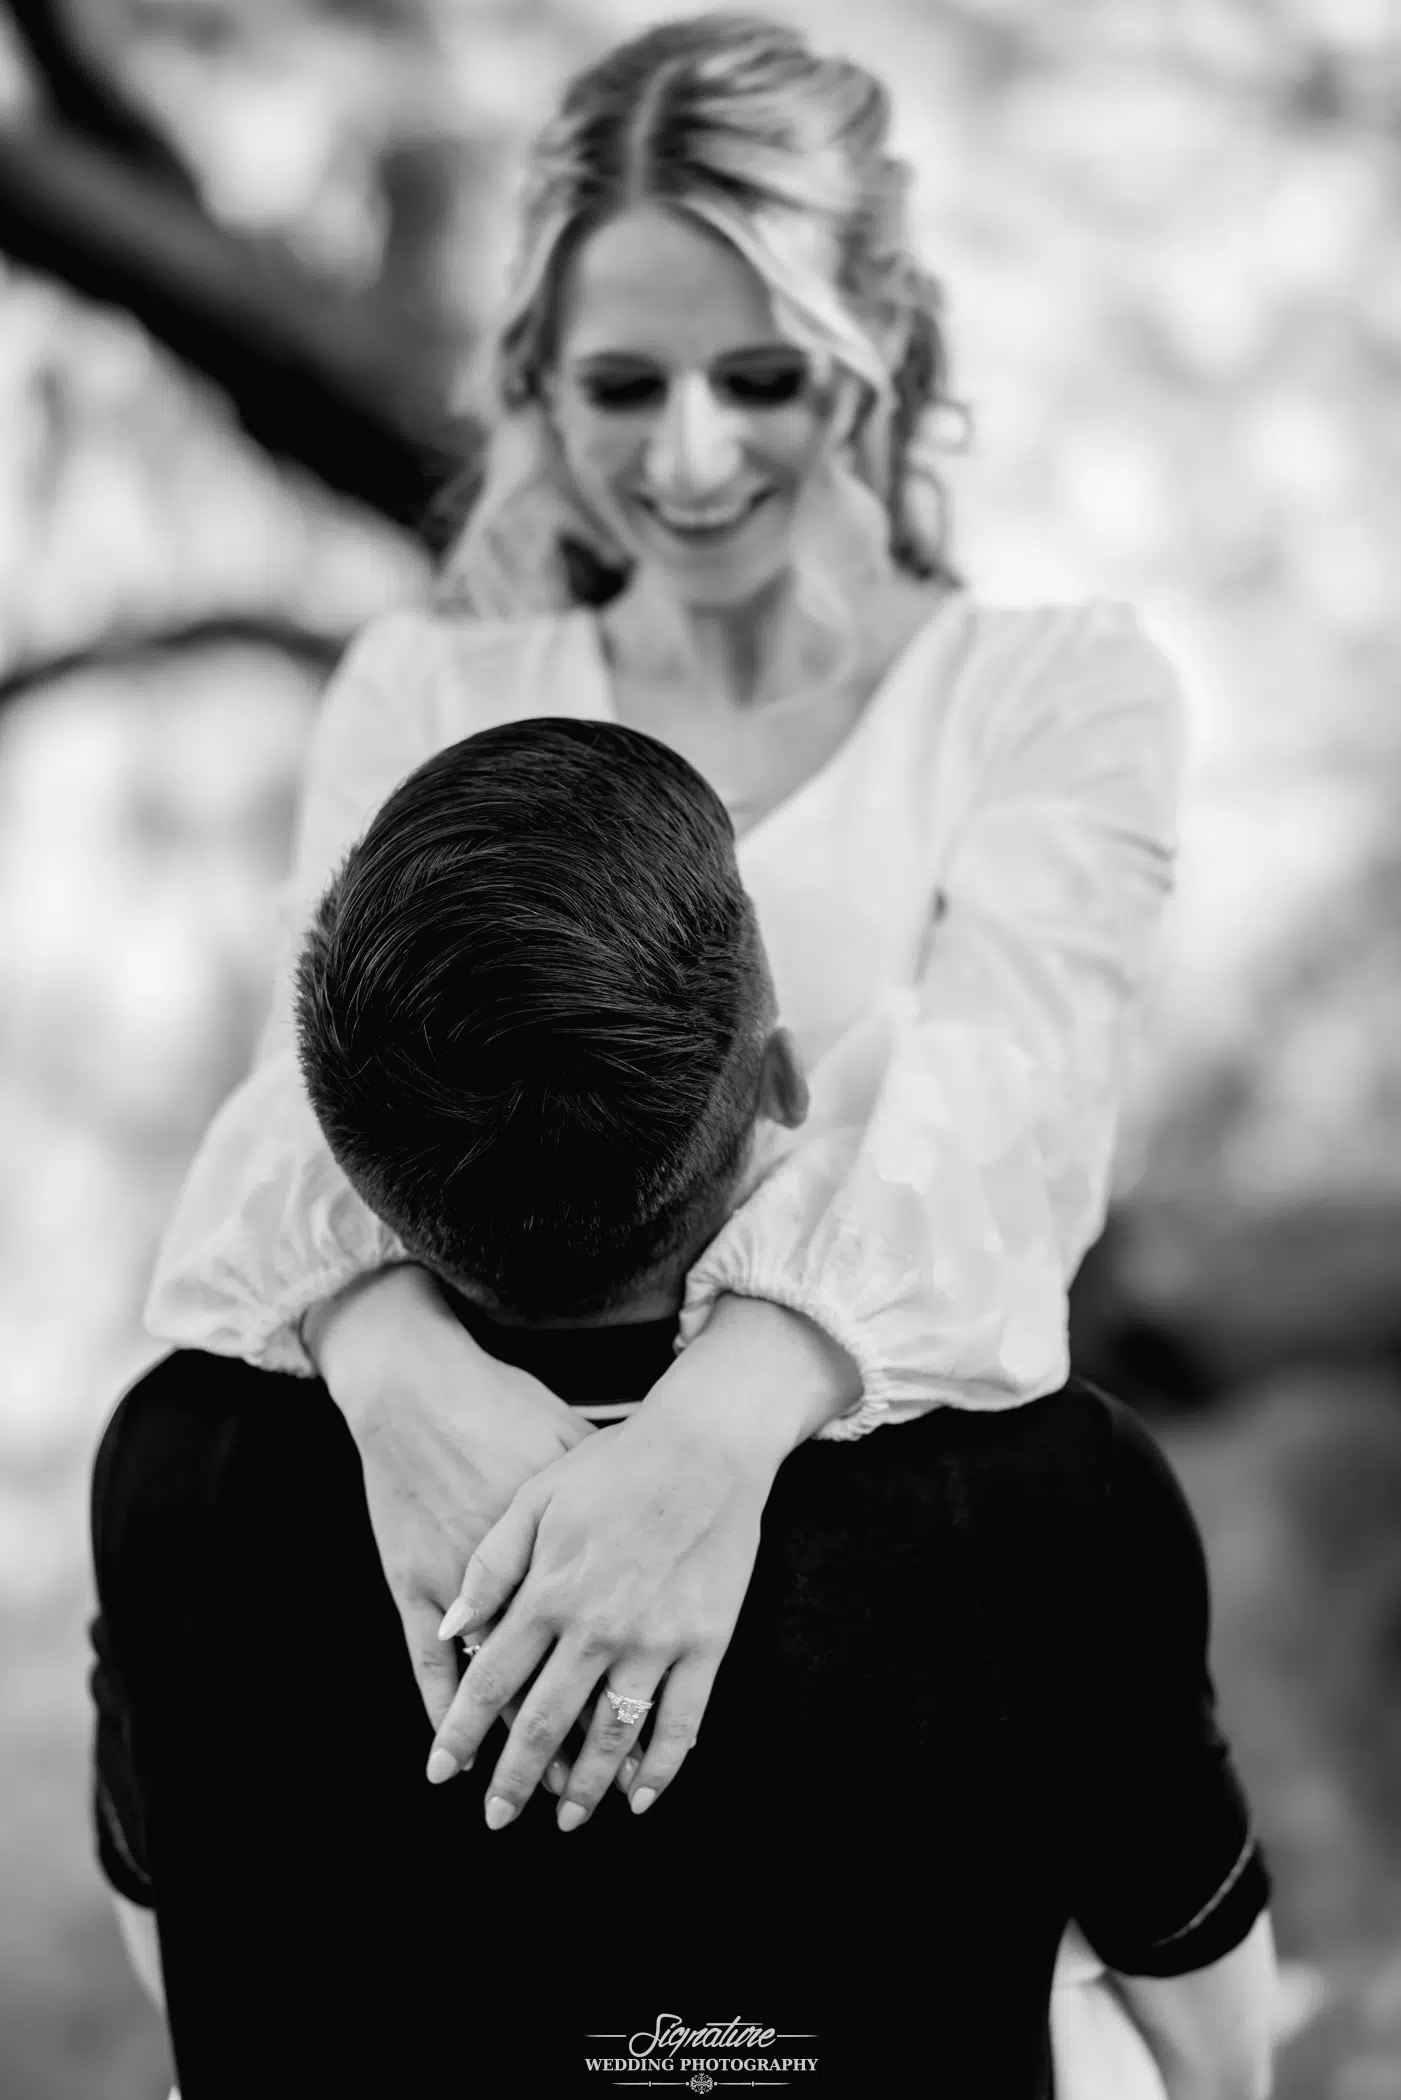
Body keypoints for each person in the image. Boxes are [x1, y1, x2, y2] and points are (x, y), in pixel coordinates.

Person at [145, 13, 1187, 1826]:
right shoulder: (427, 686)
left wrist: (706, 1451)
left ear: (871, 360)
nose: (693, 459)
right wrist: (397, 1385)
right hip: (472, 1597)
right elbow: (291, 1108)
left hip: (915, 1626)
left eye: (761, 377)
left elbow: (1013, 1126)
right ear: (538, 385)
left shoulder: (1053, 693)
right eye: (624, 387)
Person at [92, 721, 1276, 2099]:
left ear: (344, 1170)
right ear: (777, 1083)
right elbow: (1215, 2040)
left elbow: (166, 1952)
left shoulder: (177, 1457)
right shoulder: (1045, 1490)